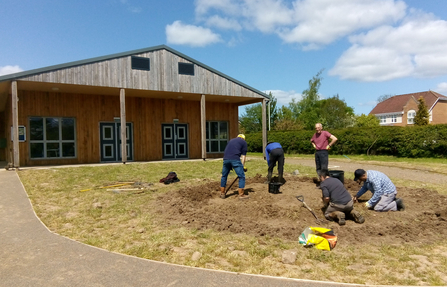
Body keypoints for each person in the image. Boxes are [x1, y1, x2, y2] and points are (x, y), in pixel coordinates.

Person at [220, 134, 249, 200]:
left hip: (225, 159)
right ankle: (241, 194)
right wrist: (242, 166)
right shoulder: (244, 142)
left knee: (224, 176)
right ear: (243, 138)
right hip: (235, 159)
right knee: (241, 176)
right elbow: (243, 156)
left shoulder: (231, 140)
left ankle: (222, 193)